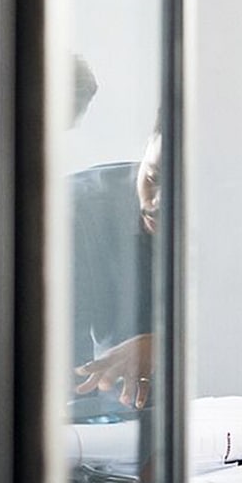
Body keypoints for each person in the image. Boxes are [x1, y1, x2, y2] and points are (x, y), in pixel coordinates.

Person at [71, 123, 161, 411]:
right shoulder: (75, 211)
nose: (156, 202)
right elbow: (61, 364)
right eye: (152, 177)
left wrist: (168, 346)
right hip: (114, 418)